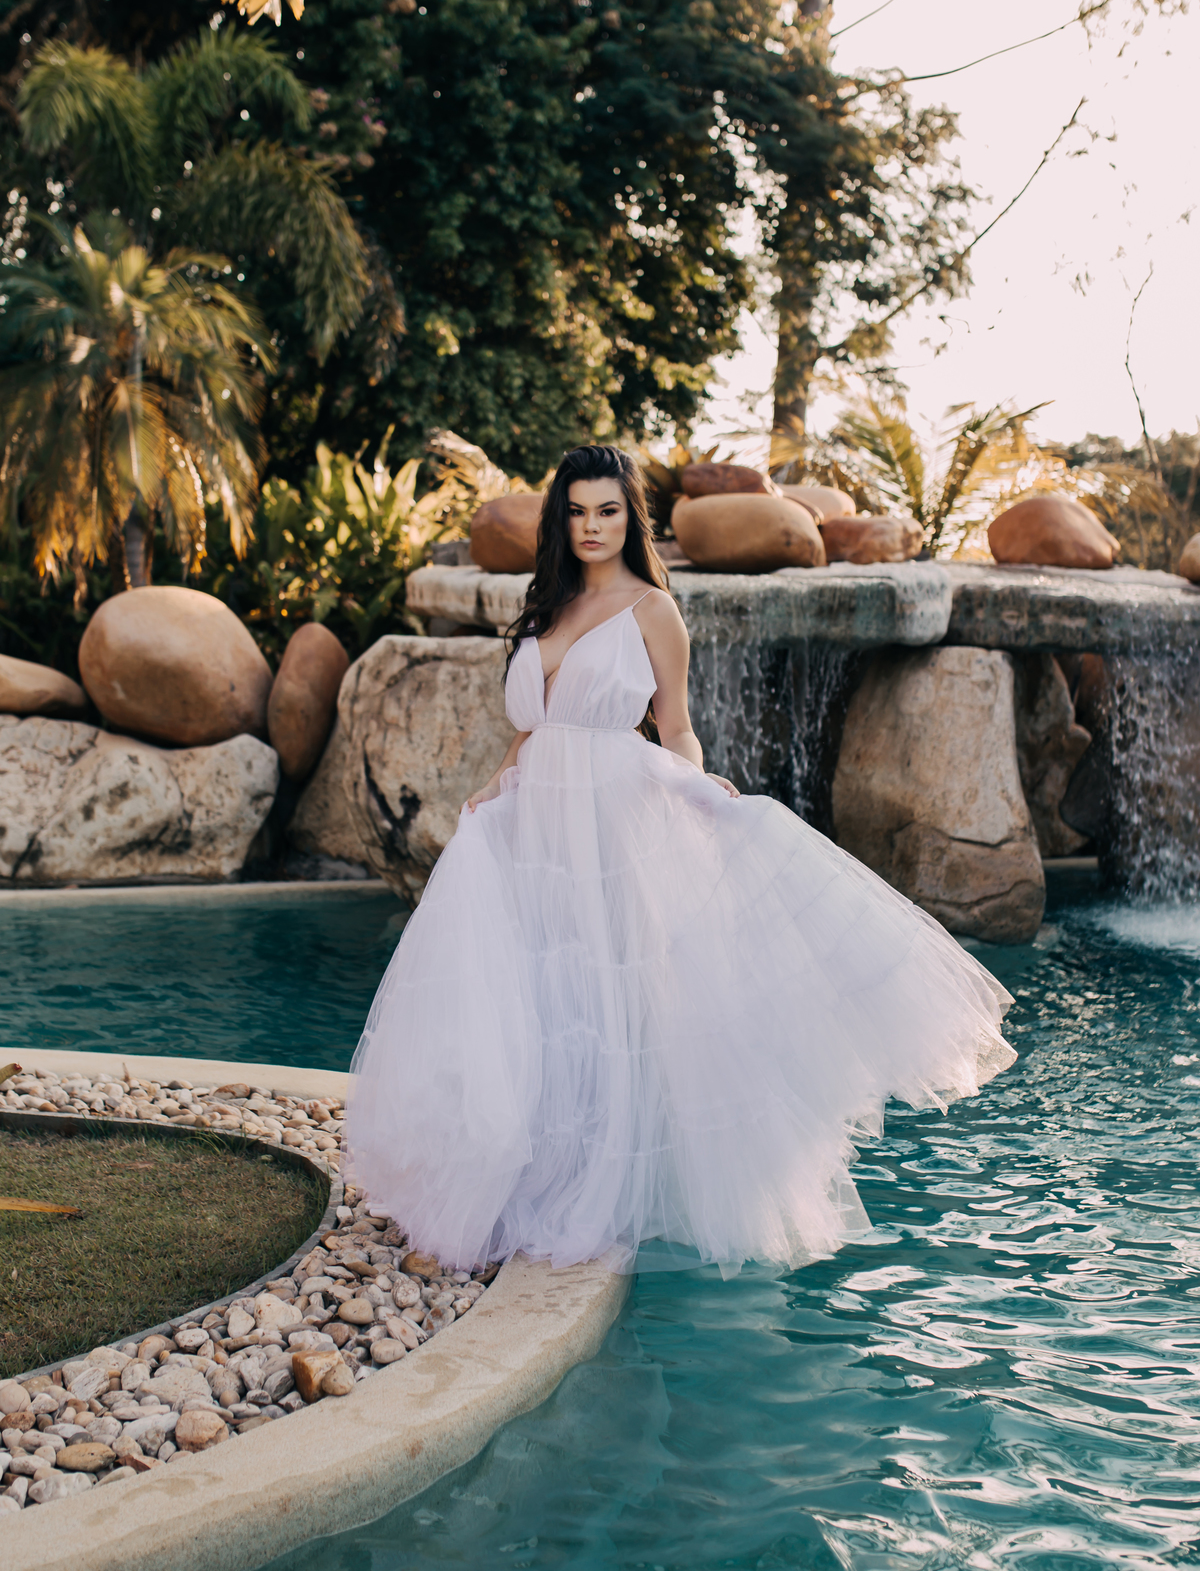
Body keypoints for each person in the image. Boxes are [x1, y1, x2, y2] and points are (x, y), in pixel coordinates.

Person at [344, 445, 1014, 1275]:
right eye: (578, 512)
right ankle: (531, 1177)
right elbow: (532, 726)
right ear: (562, 521)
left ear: (632, 518)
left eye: (608, 511)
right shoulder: (546, 604)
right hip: (530, 827)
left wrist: (698, 799)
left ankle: (602, 1188)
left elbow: (674, 724)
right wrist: (490, 786)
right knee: (534, 998)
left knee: (609, 998)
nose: (592, 527)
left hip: (611, 819)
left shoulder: (653, 610)